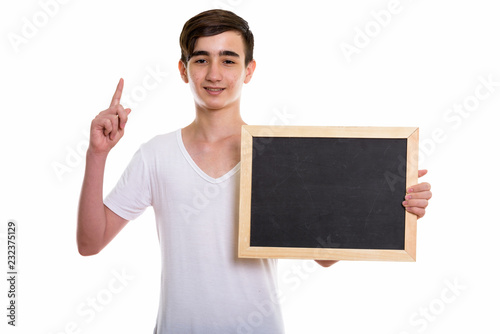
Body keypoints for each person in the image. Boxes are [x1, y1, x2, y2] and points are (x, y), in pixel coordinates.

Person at [77, 9, 432, 333]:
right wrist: (97, 154)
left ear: (249, 70)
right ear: (184, 69)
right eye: (202, 59)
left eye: (228, 60)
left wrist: (388, 201)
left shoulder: (278, 156)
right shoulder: (156, 155)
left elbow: (324, 256)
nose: (214, 74)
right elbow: (90, 243)